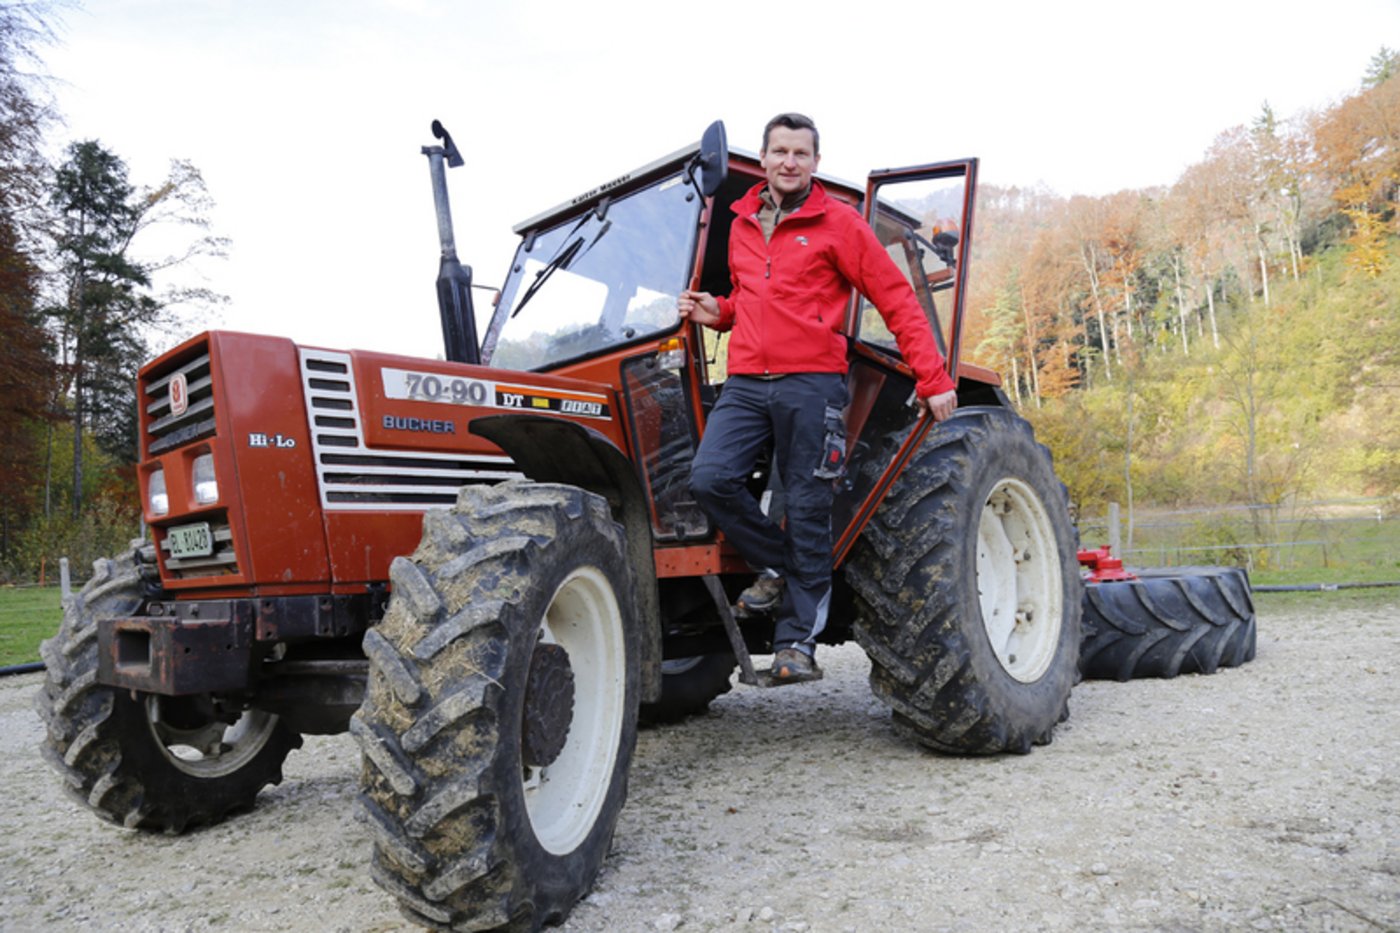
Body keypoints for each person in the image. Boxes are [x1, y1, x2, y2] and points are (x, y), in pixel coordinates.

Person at [681, 112, 958, 684]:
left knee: (806, 506)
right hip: (748, 381)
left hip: (811, 380)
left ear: (814, 163)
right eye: (780, 151)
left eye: (800, 153)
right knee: (709, 478)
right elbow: (751, 297)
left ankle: (795, 644)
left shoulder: (839, 223)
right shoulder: (738, 223)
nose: (789, 162)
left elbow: (897, 302)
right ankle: (782, 567)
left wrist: (933, 379)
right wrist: (722, 313)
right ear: (764, 159)